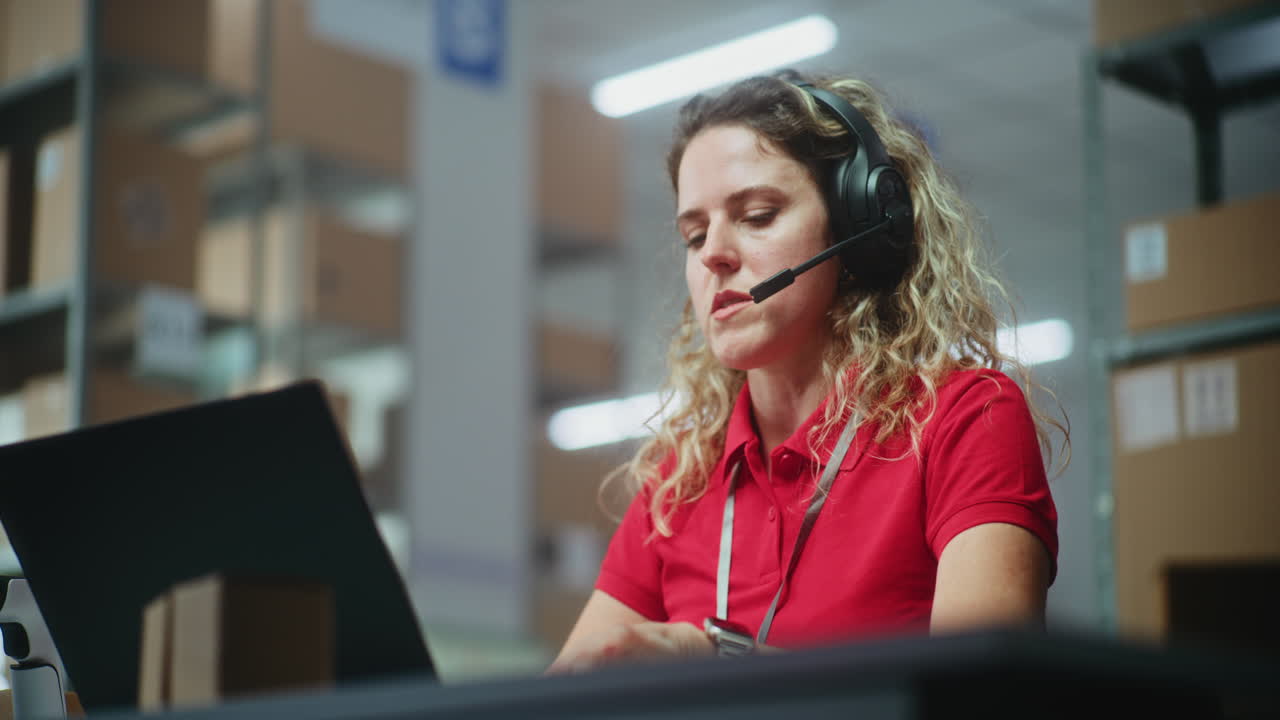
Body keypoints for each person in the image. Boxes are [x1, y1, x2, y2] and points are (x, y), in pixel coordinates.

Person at [549, 69, 1066, 672]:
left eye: (758, 214)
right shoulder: (679, 482)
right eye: (694, 235)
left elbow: (979, 694)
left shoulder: (966, 418)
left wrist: (714, 654)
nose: (713, 253)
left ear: (856, 229)